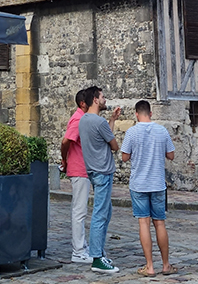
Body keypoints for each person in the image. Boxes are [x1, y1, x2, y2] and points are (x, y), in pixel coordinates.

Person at [118, 101, 176, 277]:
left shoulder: (132, 132)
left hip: (139, 184)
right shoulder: (162, 130)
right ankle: (166, 265)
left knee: (144, 222)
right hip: (157, 183)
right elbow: (171, 155)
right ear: (150, 113)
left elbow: (125, 157)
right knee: (160, 222)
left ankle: (149, 266)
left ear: (136, 114)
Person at [77, 86, 122, 274]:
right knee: (100, 214)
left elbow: (105, 140)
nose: (104, 100)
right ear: (95, 99)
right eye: (102, 97)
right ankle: (97, 257)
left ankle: (100, 252)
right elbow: (114, 145)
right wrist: (109, 122)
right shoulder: (99, 122)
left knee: (105, 212)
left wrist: (112, 120)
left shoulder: (84, 120)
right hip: (103, 171)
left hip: (93, 171)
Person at [61, 89, 92, 263]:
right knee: (79, 211)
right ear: (83, 103)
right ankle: (78, 251)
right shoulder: (79, 119)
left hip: (82, 168)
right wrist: (64, 159)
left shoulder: (82, 119)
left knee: (80, 210)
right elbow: (66, 141)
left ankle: (82, 247)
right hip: (79, 168)